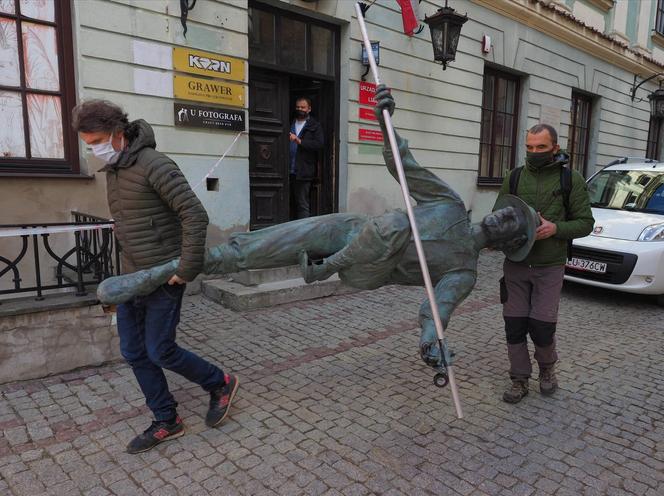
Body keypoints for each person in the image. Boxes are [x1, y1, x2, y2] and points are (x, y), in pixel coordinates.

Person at [97, 86, 539, 372]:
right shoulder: (449, 204)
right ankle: (156, 275)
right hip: (346, 229)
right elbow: (405, 166)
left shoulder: (463, 271)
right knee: (246, 250)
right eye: (507, 210)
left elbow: (436, 311)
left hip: (364, 266)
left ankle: (324, 267)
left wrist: (431, 342)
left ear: (508, 242)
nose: (501, 216)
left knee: (386, 231)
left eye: (510, 222)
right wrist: (387, 123)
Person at [72, 101, 240, 454]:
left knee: (160, 349)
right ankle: (167, 420)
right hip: (134, 277)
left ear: (118, 133)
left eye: (98, 141)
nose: (94, 149)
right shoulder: (116, 170)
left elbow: (194, 215)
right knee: (134, 351)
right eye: (88, 144)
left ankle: (221, 382)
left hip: (165, 276)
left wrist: (184, 270)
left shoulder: (155, 165)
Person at [494, 124, 594, 404]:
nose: (534, 152)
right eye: (529, 147)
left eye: (540, 147)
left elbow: (586, 223)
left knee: (541, 327)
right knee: (514, 325)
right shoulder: (513, 177)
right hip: (516, 264)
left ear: (555, 148)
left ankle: (547, 369)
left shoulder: (570, 179)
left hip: (550, 265)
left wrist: (555, 228)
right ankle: (519, 378)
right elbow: (498, 215)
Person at [289, 97, 324, 218]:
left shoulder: (314, 125)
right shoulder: (289, 123)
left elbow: (319, 144)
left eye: (303, 107)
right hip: (287, 170)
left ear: (309, 109)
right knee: (288, 203)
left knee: (302, 204)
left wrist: (299, 141)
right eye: (298, 107)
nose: (300, 109)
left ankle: (303, 233)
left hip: (303, 171)